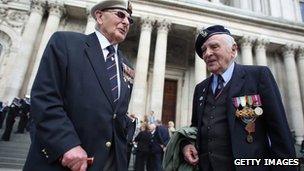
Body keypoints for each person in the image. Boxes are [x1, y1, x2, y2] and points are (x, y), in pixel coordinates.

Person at [23, 0, 135, 171]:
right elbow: (45, 98)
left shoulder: (126, 66)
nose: (126, 22)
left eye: (129, 19)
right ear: (99, 16)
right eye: (120, 14)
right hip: (65, 161)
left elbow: (117, 116)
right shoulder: (66, 43)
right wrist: (66, 144)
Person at [182, 25, 296, 171]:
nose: (207, 53)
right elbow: (196, 128)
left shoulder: (258, 77)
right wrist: (186, 144)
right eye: (204, 50)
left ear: (234, 50)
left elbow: (280, 133)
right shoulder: (201, 88)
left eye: (214, 47)